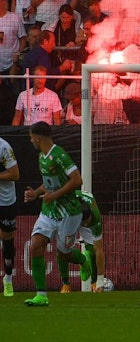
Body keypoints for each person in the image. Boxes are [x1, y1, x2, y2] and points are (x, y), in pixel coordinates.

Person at [22, 121, 92, 306]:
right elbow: (49, 184)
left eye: (31, 137)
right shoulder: (42, 157)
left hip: (69, 212)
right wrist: (35, 194)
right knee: (36, 246)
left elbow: (77, 180)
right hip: (49, 211)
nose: (30, 140)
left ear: (37, 137)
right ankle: (41, 295)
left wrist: (55, 195)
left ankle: (83, 260)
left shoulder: (59, 155)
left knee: (64, 254)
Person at [0, 133, 19, 297]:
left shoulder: (3, 147)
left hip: (5, 201)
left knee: (7, 240)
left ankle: (7, 279)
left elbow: (15, 174)